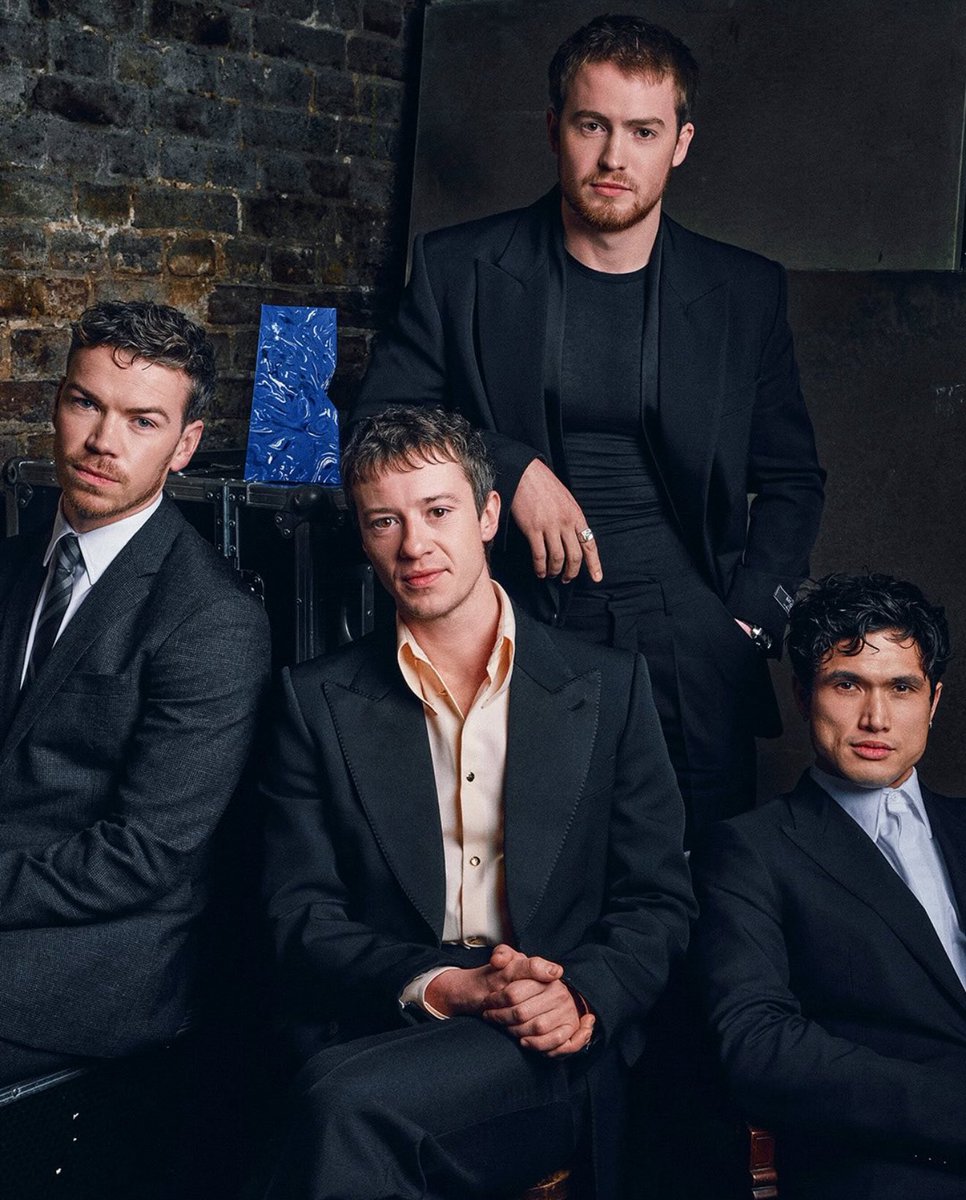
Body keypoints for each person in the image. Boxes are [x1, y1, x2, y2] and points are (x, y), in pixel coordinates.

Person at [351, 12, 825, 838]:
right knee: (524, 865)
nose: (614, 158)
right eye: (592, 125)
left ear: (679, 142)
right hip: (515, 613)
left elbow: (792, 479)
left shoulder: (743, 291)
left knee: (699, 873)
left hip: (689, 635)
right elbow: (377, 423)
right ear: (554, 129)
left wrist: (748, 623)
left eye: (642, 131)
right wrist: (507, 466)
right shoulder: (459, 267)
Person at [258, 406, 693, 1198]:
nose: (414, 544)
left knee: (337, 1110)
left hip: (545, 1044)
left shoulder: (608, 686)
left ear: (490, 514)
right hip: (390, 1024)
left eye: (437, 510)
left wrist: (582, 996)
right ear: (361, 536)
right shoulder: (314, 700)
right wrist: (441, 985)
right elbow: (300, 916)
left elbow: (657, 899)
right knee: (326, 1101)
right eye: (384, 520)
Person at [0, 301, 271, 1088]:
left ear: (184, 445)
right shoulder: (14, 564)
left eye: (142, 421)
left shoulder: (211, 618)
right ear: (56, 402)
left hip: (98, 953)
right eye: (86, 402)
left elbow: (141, 855)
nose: (102, 443)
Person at [691, 573, 966, 1199]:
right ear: (803, 693)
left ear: (934, 701)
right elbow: (757, 1046)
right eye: (848, 684)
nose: (876, 717)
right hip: (888, 1164)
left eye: (902, 687)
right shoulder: (747, 851)